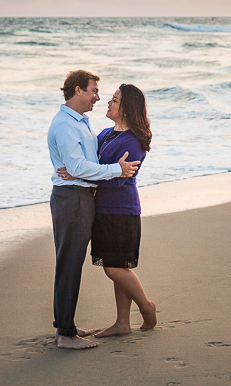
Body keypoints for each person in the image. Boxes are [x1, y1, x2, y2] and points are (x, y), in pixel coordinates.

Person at [47, 70, 140, 350]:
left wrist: (79, 174)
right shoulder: (65, 125)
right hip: (71, 199)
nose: (98, 98)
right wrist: (116, 170)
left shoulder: (81, 123)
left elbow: (80, 165)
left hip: (81, 195)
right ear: (77, 91)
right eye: (93, 91)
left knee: (72, 263)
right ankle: (65, 334)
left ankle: (67, 325)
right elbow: (76, 167)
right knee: (69, 264)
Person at [59, 83, 157, 337]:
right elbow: (91, 165)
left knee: (114, 268)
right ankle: (122, 323)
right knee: (118, 266)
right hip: (102, 209)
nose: (108, 102)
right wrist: (75, 169)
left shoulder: (133, 141)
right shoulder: (104, 134)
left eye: (114, 100)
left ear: (126, 108)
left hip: (122, 211)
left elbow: (116, 179)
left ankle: (146, 307)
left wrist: (76, 174)